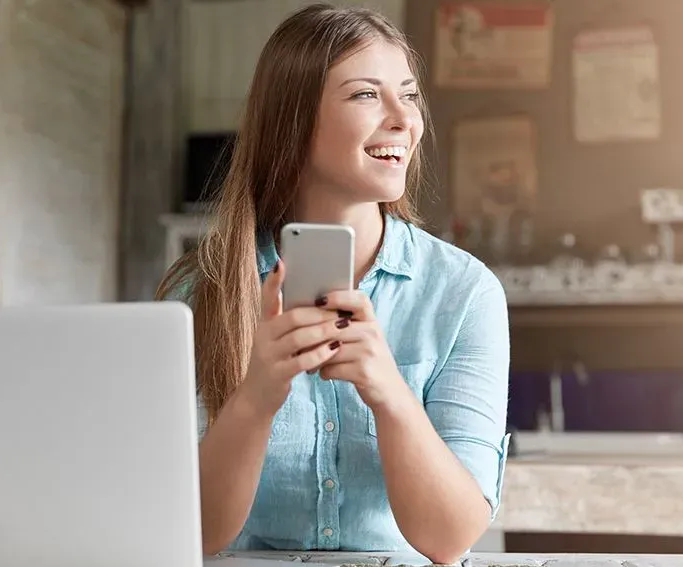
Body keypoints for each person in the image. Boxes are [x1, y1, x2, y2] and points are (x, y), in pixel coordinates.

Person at [157, 3, 510, 563]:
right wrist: (256, 398)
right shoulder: (203, 292)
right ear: (293, 120)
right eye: (366, 94)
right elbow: (190, 535)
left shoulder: (464, 294)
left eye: (409, 94)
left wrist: (389, 393)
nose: (403, 119)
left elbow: (450, 539)